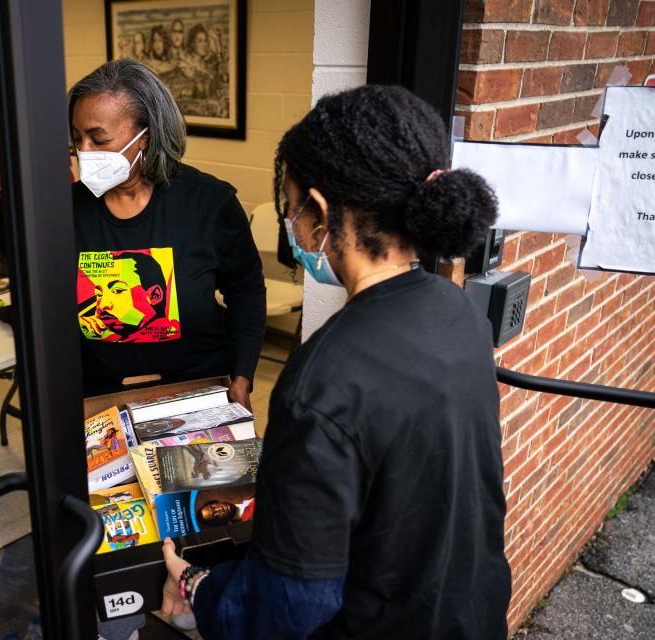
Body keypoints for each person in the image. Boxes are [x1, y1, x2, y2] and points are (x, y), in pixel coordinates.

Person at [160, 85, 512, 639]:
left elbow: (288, 610)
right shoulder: (458, 313)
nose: (290, 225)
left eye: (290, 205)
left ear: (319, 213)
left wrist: (196, 589)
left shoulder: (322, 382)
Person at [69, 59, 266, 408]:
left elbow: (245, 289)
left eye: (98, 138)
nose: (84, 152)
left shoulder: (209, 203)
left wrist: (242, 376)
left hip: (197, 392)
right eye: (76, 139)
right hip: (99, 400)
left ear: (146, 137)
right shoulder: (66, 211)